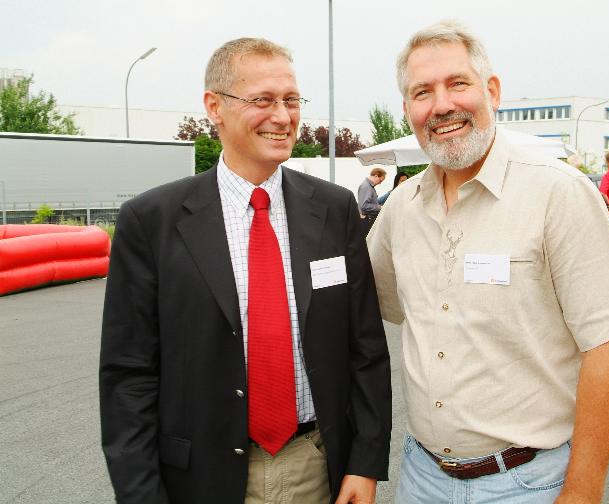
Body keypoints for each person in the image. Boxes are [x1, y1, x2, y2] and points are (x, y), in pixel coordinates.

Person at [367, 21, 609, 504]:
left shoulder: (557, 193)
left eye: (457, 83)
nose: (441, 105)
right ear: (408, 110)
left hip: (527, 484)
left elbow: (608, 345)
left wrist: (583, 491)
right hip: (421, 477)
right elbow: (362, 306)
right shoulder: (402, 208)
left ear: (492, 91)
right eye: (422, 92)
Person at [100, 37, 391, 504]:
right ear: (214, 107)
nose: (283, 116)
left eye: (291, 100)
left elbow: (366, 348)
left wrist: (365, 463)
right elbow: (127, 376)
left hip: (317, 468)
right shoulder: (151, 221)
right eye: (263, 100)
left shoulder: (334, 210)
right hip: (199, 479)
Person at [357, 167, 386, 237]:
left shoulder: (368, 186)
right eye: (380, 181)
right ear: (376, 176)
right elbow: (364, 206)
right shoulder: (366, 187)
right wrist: (380, 207)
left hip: (368, 220)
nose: (380, 183)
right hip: (367, 221)